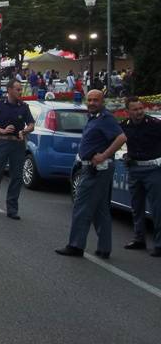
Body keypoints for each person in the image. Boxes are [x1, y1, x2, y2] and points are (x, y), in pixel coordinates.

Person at [55, 90, 127, 258]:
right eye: (90, 100)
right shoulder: (94, 117)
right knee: (100, 209)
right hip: (92, 167)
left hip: (97, 169)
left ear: (102, 102)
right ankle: (104, 248)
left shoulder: (105, 118)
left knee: (81, 206)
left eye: (96, 100)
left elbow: (121, 138)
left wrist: (104, 155)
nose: (92, 102)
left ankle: (76, 245)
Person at [0, 80, 35, 218]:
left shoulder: (24, 107)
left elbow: (31, 124)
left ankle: (12, 208)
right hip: (3, 143)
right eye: (18, 89)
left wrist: (24, 131)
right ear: (9, 90)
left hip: (18, 144)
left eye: (20, 89)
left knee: (16, 177)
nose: (20, 92)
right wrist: (2, 130)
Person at [120, 97, 161, 256]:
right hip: (134, 170)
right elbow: (117, 141)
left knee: (157, 208)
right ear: (128, 112)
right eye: (135, 110)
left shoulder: (155, 125)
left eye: (140, 108)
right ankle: (139, 238)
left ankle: (159, 244)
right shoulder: (124, 126)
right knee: (136, 207)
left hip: (153, 170)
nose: (139, 112)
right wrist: (125, 155)